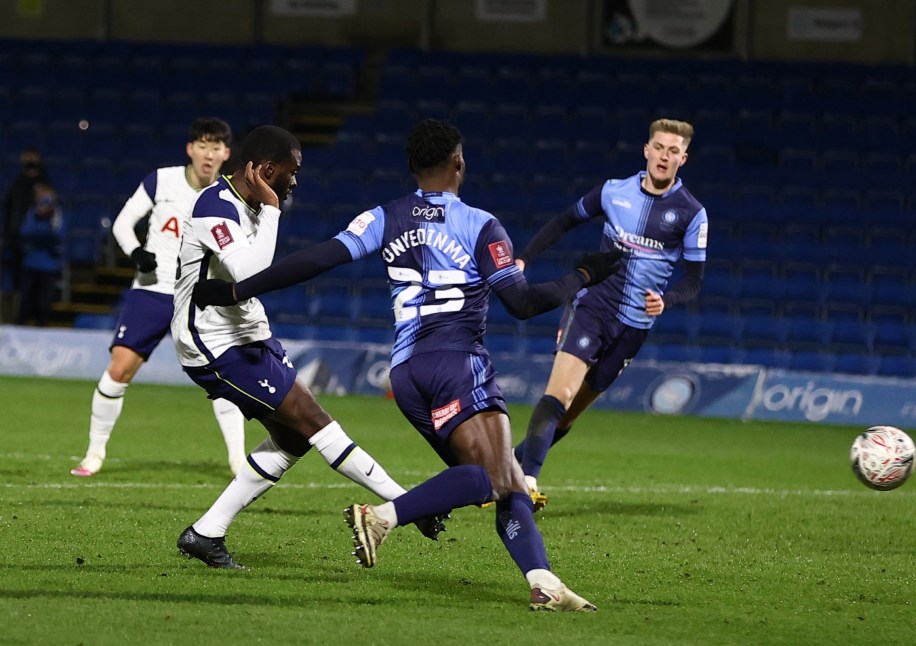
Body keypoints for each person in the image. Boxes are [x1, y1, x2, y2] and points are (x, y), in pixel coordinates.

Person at [191, 119, 622, 610]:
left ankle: (543, 582)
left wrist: (236, 290)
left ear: (413, 167)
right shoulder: (480, 224)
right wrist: (585, 274)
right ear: (458, 162)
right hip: (456, 361)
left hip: (408, 374)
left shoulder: (384, 216)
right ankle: (382, 517)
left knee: (500, 479)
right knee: (497, 475)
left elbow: (317, 259)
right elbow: (521, 303)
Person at [171, 124, 445, 570]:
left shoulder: (249, 203)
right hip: (212, 342)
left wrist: (270, 207)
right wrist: (275, 209)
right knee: (316, 421)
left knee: (295, 437)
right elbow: (247, 273)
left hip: (246, 334)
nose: (295, 182)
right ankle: (408, 505)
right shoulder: (215, 206)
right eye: (290, 173)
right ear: (264, 169)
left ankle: (206, 533)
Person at [512, 118, 707, 509]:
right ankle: (526, 483)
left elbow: (694, 279)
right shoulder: (613, 192)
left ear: (683, 159)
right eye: (659, 147)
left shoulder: (692, 213)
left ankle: (502, 472)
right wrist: (523, 258)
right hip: (593, 306)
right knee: (560, 393)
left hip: (635, 326)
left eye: (673, 151)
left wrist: (666, 301)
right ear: (646, 150)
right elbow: (564, 221)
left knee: (567, 417)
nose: (664, 156)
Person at [70, 118, 247, 477]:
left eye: (216, 147)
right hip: (153, 290)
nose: (208, 154)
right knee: (118, 370)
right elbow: (122, 223)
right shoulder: (162, 180)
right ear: (190, 148)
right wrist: (136, 253)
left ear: (226, 153)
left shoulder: (230, 197)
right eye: (202, 145)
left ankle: (237, 461)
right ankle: (94, 454)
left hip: (199, 298)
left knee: (223, 380)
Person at [2, 147, 49, 321]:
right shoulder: (16, 184)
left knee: (40, 290)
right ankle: (19, 321)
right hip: (18, 245)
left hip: (41, 249)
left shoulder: (45, 184)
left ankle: (38, 321)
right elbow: (8, 211)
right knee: (20, 287)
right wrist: (10, 237)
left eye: (33, 157)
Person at [17, 182, 64, 326]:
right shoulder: (32, 213)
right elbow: (25, 233)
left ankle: (41, 327)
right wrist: (42, 236)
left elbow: (57, 236)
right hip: (30, 263)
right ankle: (22, 326)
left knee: (43, 302)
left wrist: (39, 239)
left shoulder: (56, 214)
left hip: (48, 265)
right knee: (26, 299)